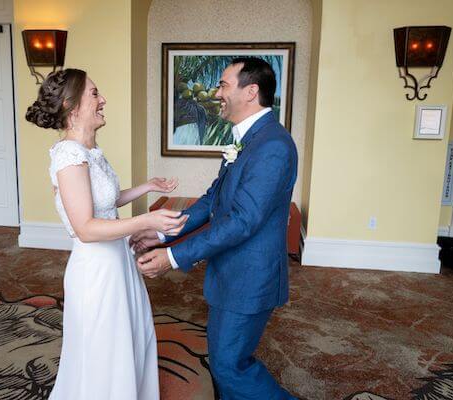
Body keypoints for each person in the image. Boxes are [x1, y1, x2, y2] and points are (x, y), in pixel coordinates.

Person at [132, 58, 298, 399]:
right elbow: (213, 200)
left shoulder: (273, 146)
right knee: (225, 359)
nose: (216, 92)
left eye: (223, 85)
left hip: (250, 276)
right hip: (230, 272)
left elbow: (242, 220)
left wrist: (174, 257)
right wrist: (166, 233)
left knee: (228, 364)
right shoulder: (244, 140)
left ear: (250, 91)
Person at [25, 68, 188, 400]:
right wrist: (147, 221)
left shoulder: (89, 152)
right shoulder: (69, 157)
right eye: (95, 94)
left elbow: (105, 202)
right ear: (72, 106)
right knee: (103, 354)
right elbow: (85, 228)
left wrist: (147, 187)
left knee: (128, 340)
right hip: (96, 270)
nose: (103, 100)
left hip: (118, 262)